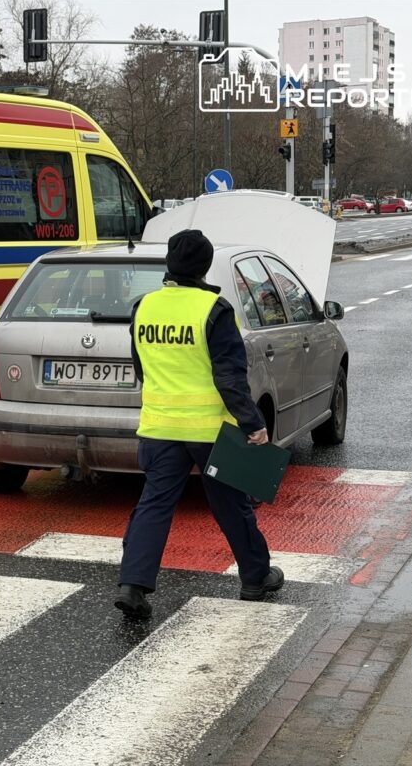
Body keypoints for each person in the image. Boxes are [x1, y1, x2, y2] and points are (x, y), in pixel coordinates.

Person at [115, 229, 283, 620]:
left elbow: (142, 368)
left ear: (170, 264)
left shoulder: (144, 307)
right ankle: (255, 578)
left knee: (153, 506)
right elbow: (230, 378)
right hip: (209, 432)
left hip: (159, 429)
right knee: (231, 506)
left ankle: (132, 586)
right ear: (205, 266)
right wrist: (253, 424)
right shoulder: (214, 311)